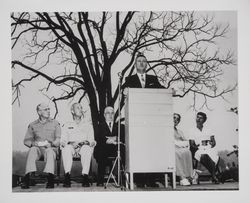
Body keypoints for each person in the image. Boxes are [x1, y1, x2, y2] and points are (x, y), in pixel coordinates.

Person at [122, 53, 163, 188]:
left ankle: (151, 179)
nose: (141, 63)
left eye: (144, 61)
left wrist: (170, 91)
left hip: (151, 121)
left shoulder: (153, 78)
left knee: (150, 149)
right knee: (138, 149)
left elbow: (161, 90)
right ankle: (139, 179)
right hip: (136, 121)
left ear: (146, 64)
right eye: (139, 61)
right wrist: (125, 90)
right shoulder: (130, 79)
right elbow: (124, 91)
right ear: (135, 64)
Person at [21, 103, 61, 189]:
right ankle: (27, 177)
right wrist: (33, 144)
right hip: (38, 149)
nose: (49, 111)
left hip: (51, 148)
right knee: (32, 150)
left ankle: (50, 178)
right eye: (46, 109)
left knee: (50, 151)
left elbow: (58, 139)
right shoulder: (32, 125)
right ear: (39, 112)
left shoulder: (55, 123)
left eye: (49, 109)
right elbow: (26, 140)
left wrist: (52, 144)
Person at [60, 103, 96, 187]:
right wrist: (70, 143)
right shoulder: (67, 124)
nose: (81, 109)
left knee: (86, 149)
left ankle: (85, 176)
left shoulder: (88, 125)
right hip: (71, 146)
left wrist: (84, 143)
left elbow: (92, 140)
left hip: (83, 146)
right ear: (72, 111)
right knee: (66, 149)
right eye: (78, 108)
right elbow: (63, 140)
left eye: (81, 107)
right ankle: (67, 175)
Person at [94, 106, 125, 186]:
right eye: (108, 113)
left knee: (123, 148)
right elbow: (98, 138)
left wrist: (113, 138)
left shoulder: (119, 126)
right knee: (102, 149)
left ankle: (123, 179)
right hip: (103, 149)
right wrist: (110, 140)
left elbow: (122, 137)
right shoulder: (99, 126)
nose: (110, 115)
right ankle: (100, 180)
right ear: (104, 115)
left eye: (112, 113)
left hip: (115, 148)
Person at [188, 112, 221, 184]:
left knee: (213, 155)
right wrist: (197, 147)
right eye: (197, 117)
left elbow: (214, 142)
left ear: (204, 120)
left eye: (201, 118)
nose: (198, 119)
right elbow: (191, 144)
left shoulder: (209, 129)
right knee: (203, 155)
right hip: (199, 149)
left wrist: (211, 144)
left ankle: (213, 174)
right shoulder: (192, 130)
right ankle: (214, 175)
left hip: (209, 148)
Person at [173, 113, 193, 186]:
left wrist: (183, 143)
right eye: (174, 117)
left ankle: (188, 176)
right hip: (172, 148)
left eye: (177, 119)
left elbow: (186, 141)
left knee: (187, 152)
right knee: (175, 153)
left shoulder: (180, 132)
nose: (175, 120)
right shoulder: (166, 130)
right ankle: (182, 177)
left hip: (180, 147)